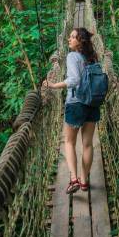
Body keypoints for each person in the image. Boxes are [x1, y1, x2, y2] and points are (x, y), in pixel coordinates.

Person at [43, 28, 100, 194]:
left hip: (76, 104)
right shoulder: (92, 57)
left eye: (73, 37)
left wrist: (53, 85)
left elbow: (74, 80)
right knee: (88, 144)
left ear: (80, 41)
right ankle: (84, 182)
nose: (69, 39)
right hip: (92, 103)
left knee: (69, 142)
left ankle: (74, 179)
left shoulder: (72, 56)